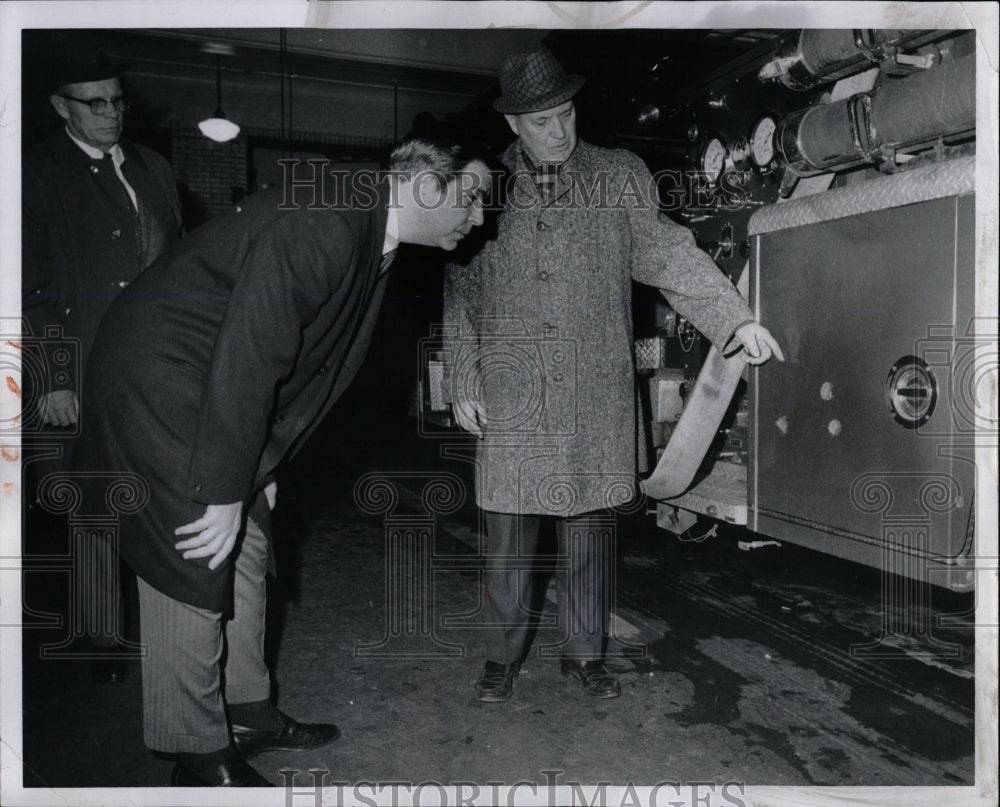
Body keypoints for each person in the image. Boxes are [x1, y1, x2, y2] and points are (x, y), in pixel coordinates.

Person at [76, 132, 491, 786]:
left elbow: (298, 364)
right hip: (161, 379)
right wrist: (219, 486)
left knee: (250, 540)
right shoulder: (328, 220)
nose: (477, 218)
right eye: (472, 200)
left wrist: (257, 467)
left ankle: (248, 706)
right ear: (424, 185)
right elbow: (253, 353)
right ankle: (197, 749)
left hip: (209, 378)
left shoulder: (367, 222)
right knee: (197, 548)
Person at [443, 46, 784, 703]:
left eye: (566, 113)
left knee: (591, 535)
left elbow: (667, 253)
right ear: (513, 124)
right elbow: (462, 287)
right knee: (509, 539)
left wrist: (734, 322)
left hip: (592, 390)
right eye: (541, 121)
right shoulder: (482, 184)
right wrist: (463, 374)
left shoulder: (620, 174)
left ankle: (584, 654)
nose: (559, 131)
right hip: (514, 390)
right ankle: (500, 659)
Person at [22, 49, 184, 683]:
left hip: (152, 368)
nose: (113, 112)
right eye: (97, 103)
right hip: (80, 367)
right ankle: (98, 637)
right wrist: (55, 374)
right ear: (62, 106)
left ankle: (165, 624)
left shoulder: (154, 169)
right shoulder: (36, 173)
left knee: (159, 498)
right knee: (94, 507)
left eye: (118, 100)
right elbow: (27, 283)